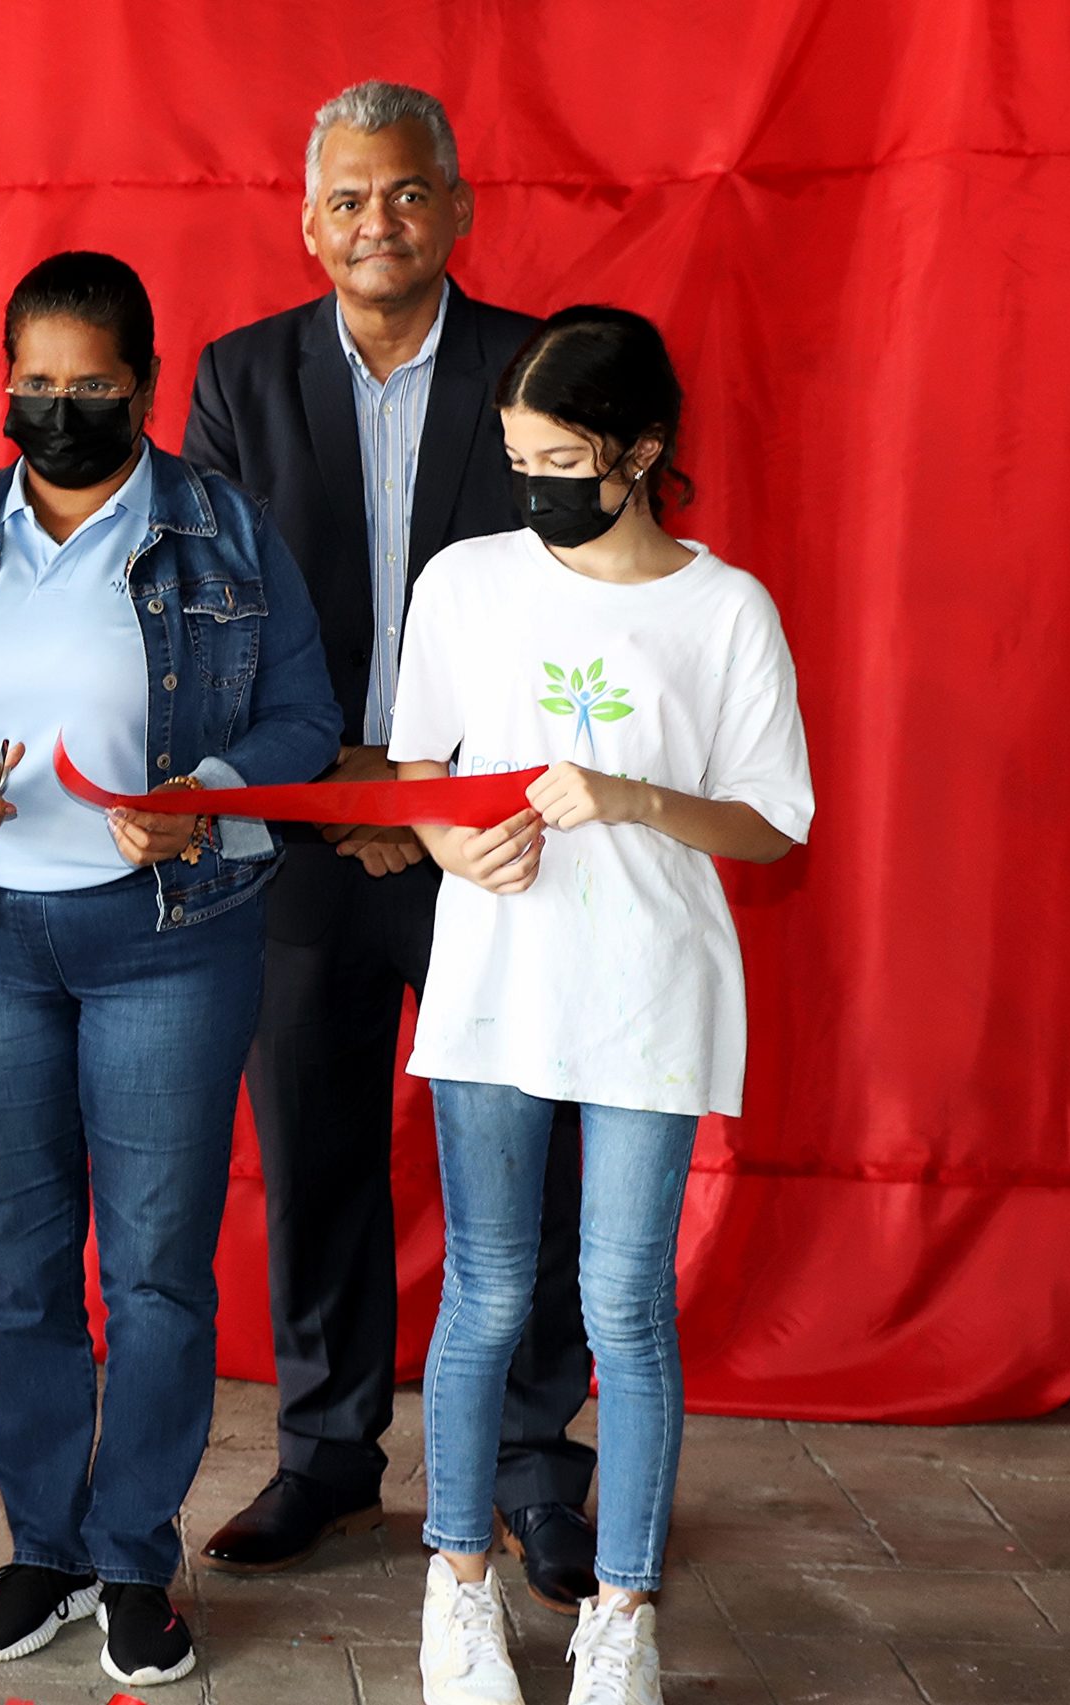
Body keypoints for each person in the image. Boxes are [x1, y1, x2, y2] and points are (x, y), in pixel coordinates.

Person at [0, 252, 342, 1688]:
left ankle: (133, 1556)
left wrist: (213, 788)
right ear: (3, 385)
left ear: (145, 386)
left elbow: (308, 716)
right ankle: (43, 1546)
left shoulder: (226, 533)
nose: (57, 410)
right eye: (34, 386)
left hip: (169, 940)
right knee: (22, 1261)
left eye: (89, 386)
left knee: (159, 1265)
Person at [182, 80, 600, 1607]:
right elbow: (217, 612)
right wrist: (356, 785)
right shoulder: (238, 378)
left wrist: (439, 795)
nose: (380, 221)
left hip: (499, 838)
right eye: (351, 198)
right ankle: (326, 1450)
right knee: (316, 1150)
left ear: (459, 209)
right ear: (309, 222)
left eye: (409, 193)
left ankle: (541, 1471)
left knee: (529, 1158)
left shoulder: (535, 368)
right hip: (311, 836)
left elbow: (583, 598)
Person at [396, 306, 810, 1705]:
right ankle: (457, 1588)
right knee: (489, 1289)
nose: (538, 487)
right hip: (500, 976)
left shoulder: (725, 608)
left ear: (643, 452)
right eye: (519, 456)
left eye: (566, 458)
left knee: (627, 1302)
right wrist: (457, 839)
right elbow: (414, 776)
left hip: (648, 985)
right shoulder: (466, 582)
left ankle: (619, 1608)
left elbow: (775, 829)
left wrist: (633, 798)